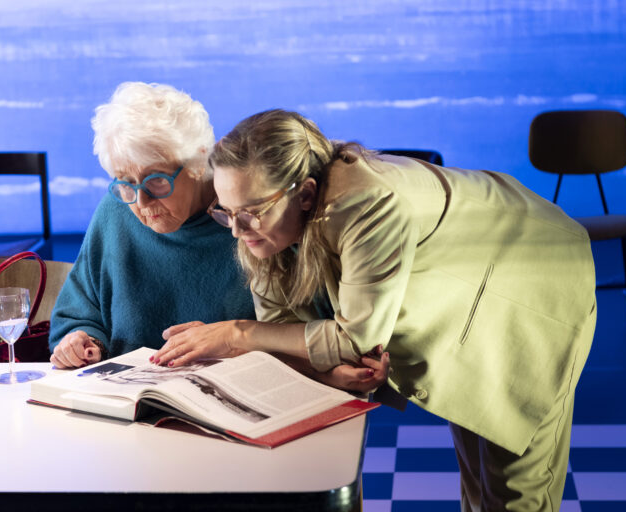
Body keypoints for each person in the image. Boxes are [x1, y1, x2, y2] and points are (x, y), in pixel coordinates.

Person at [152, 109, 597, 510]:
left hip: (532, 279)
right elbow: (283, 330)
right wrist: (324, 372)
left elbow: (352, 337)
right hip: (468, 285)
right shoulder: (260, 223)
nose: (236, 230)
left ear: (305, 195)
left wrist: (237, 335)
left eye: (249, 213)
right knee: (481, 483)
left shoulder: (367, 201)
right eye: (226, 213)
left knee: (516, 494)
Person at [48, 82, 257, 369]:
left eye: (156, 180)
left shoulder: (250, 218)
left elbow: (302, 331)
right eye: (125, 182)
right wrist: (84, 342)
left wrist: (237, 340)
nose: (141, 202)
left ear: (198, 161)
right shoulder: (116, 211)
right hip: (128, 401)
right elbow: (79, 313)